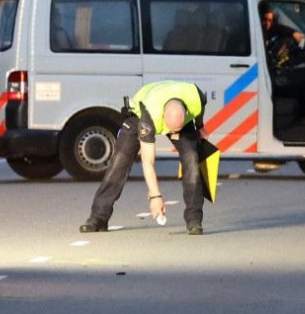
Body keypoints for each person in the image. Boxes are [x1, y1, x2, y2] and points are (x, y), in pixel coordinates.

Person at [80, 80, 209, 236]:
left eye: (175, 130)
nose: (170, 132)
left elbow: (200, 110)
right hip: (138, 115)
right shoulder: (149, 117)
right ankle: (98, 218)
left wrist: (200, 127)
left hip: (176, 114)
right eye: (169, 128)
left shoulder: (195, 97)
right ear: (163, 116)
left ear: (186, 113)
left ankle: (194, 220)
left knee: (192, 160)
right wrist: (155, 196)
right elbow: (148, 161)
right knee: (120, 161)